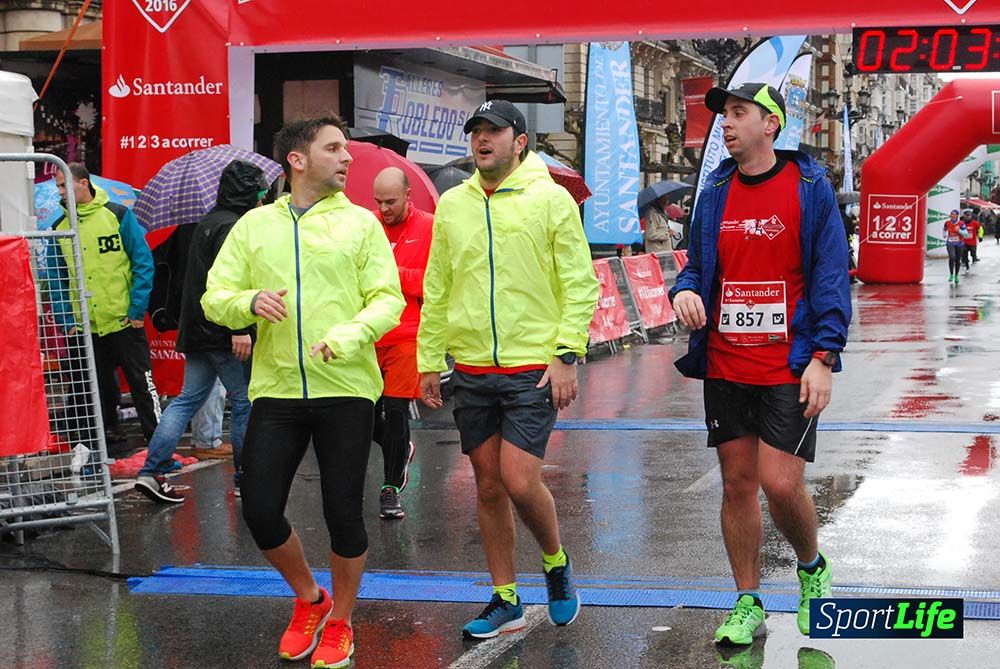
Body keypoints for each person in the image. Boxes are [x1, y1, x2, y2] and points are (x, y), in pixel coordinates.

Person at [202, 115, 404, 668]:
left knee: (343, 511)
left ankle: (341, 620)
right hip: (277, 388)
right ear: (297, 159)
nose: (347, 158)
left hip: (347, 388)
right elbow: (213, 296)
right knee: (261, 510)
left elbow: (388, 300)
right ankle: (311, 599)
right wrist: (247, 303)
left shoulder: (360, 224)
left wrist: (350, 333)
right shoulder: (254, 226)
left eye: (347, 149)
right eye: (334, 148)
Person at [669, 83, 851, 645]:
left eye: (739, 113)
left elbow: (831, 274)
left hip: (788, 367)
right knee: (738, 484)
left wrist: (824, 356)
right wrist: (684, 292)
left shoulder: (810, 186)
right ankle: (747, 601)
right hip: (726, 363)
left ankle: (811, 567)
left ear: (771, 124)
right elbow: (695, 268)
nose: (726, 123)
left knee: (778, 482)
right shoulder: (716, 189)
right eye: (724, 114)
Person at [417, 100, 600, 639]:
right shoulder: (453, 204)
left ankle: (555, 563)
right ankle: (505, 598)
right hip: (471, 366)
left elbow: (579, 282)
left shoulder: (551, 200)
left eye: (494, 131)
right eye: (476, 131)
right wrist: (430, 360)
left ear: (520, 140)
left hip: (531, 367)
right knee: (488, 486)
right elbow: (438, 286)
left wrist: (567, 353)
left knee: (520, 480)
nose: (483, 140)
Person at [134, 160, 267, 504]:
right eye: (260, 190)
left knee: (187, 400)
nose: (264, 197)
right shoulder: (233, 227)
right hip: (223, 331)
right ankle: (246, 479)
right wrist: (240, 327)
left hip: (195, 330)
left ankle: (152, 470)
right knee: (243, 402)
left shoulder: (206, 222)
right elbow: (230, 283)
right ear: (248, 192)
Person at [50, 163, 161, 447]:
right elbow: (55, 279)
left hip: (123, 319)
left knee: (142, 385)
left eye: (64, 185)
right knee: (93, 388)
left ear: (83, 183)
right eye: (58, 187)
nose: (60, 192)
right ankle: (99, 445)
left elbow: (143, 261)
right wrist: (68, 322)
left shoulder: (118, 215)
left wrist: (137, 310)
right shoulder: (58, 227)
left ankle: (159, 444)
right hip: (86, 326)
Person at [371, 166, 434, 519]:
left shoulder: (428, 227)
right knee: (363, 415)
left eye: (391, 201)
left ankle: (391, 487)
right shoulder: (367, 225)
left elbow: (436, 282)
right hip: (369, 334)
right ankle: (401, 449)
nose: (384, 209)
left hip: (407, 334)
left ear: (408, 196)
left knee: (395, 411)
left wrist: (395, 275)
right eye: (378, 201)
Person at [944, 210, 965, 284]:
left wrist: (959, 231)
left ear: (957, 216)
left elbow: (965, 233)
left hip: (959, 244)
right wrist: (944, 234)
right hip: (950, 243)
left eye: (954, 214)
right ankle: (951, 274)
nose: (952, 216)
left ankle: (956, 275)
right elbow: (945, 229)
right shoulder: (947, 223)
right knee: (952, 257)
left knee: (957, 260)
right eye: (951, 214)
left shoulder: (961, 223)